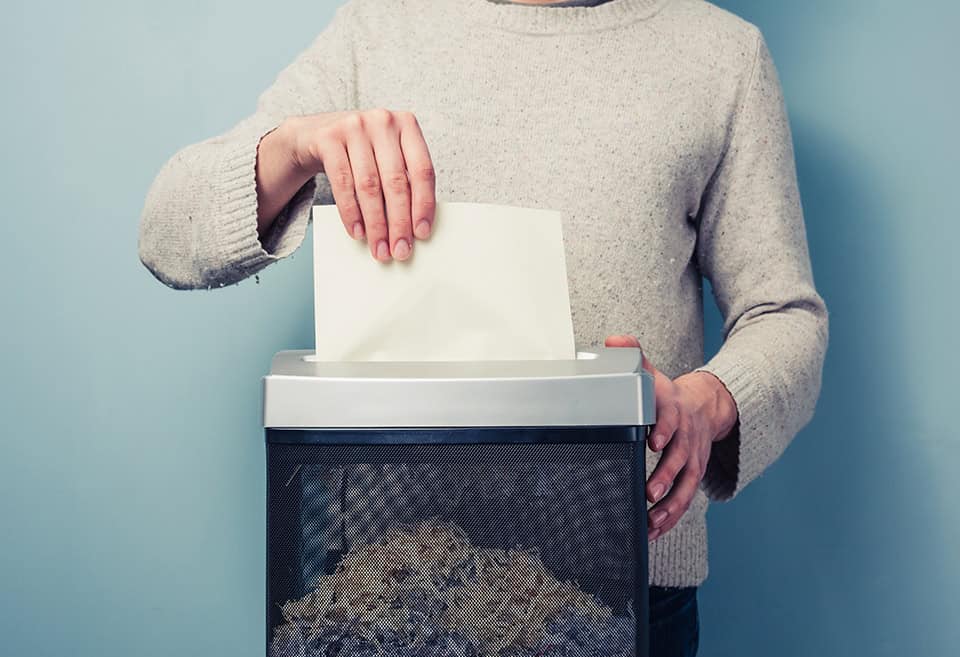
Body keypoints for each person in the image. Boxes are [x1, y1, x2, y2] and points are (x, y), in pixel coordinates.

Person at [137, 0, 830, 654]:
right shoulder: (376, 32)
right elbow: (166, 233)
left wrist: (709, 402)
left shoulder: (722, 56)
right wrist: (291, 147)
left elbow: (785, 315)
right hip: (388, 588)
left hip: (625, 586)